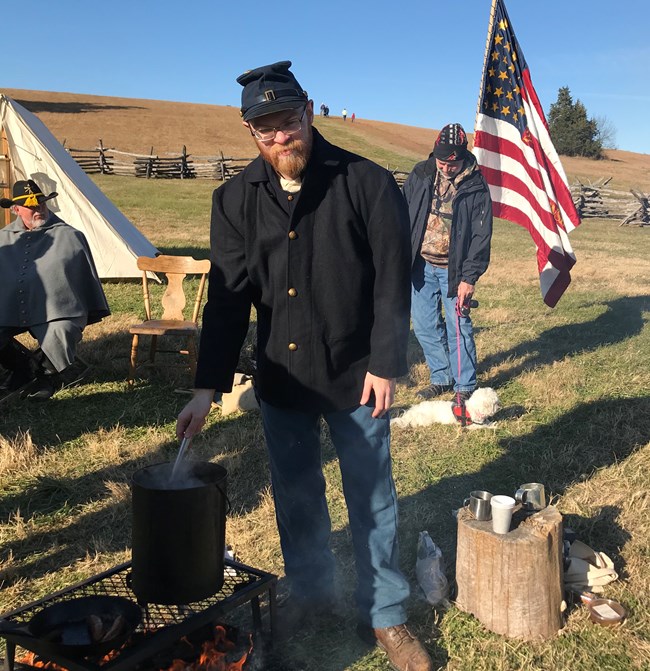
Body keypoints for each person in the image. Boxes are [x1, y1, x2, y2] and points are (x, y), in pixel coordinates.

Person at [177, 61, 433, 671]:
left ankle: (386, 615)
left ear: (309, 112)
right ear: (250, 133)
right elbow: (229, 297)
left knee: (371, 496)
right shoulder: (235, 198)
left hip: (356, 373)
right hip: (282, 379)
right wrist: (206, 387)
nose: (279, 138)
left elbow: (393, 280)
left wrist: (385, 362)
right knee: (296, 497)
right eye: (264, 130)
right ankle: (313, 594)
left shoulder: (366, 181)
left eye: (287, 122)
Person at [402, 123, 492, 401]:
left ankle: (465, 387)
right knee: (425, 324)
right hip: (420, 266)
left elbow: (480, 236)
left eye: (450, 163)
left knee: (458, 326)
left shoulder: (477, 185)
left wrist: (469, 278)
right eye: (440, 161)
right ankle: (441, 377)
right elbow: (402, 211)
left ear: (462, 156)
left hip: (454, 270)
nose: (444, 168)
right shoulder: (421, 173)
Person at [0, 179, 110, 400]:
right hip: (11, 309)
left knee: (62, 330)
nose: (38, 210)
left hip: (57, 311)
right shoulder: (3, 239)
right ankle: (24, 366)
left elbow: (82, 283)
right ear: (16, 209)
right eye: (31, 207)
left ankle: (37, 375)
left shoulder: (69, 236)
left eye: (41, 204)